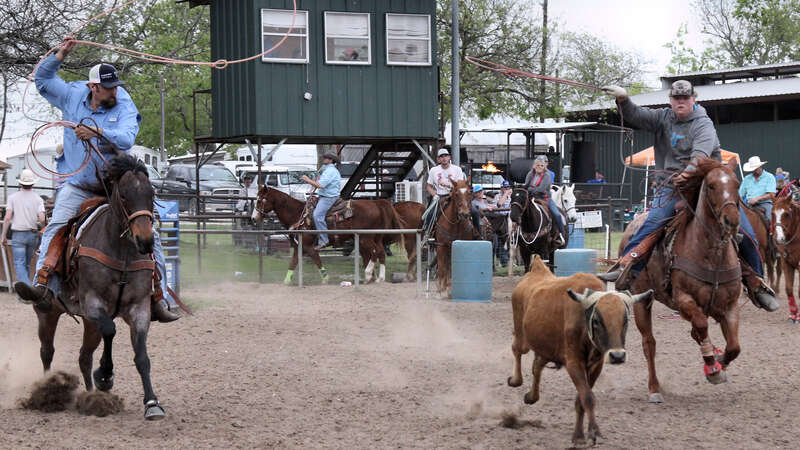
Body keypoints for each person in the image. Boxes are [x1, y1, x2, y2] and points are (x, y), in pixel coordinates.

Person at [16, 39, 179, 322]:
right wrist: (59, 56)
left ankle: (158, 298)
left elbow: (128, 138)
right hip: (80, 185)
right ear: (93, 88)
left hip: (116, 189)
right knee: (57, 226)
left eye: (116, 85)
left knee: (150, 236)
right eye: (108, 87)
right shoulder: (71, 95)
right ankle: (44, 287)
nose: (115, 91)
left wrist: (97, 131)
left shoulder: (124, 103)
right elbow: (42, 80)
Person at [600, 80, 778, 311]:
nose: (681, 102)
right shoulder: (662, 117)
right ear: (671, 100)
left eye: (685, 98)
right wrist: (623, 100)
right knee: (653, 221)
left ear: (693, 99)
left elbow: (701, 155)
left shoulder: (703, 123)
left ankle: (756, 283)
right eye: (677, 98)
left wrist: (688, 173)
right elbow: (637, 115)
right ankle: (628, 267)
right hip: (671, 185)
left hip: (706, 183)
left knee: (745, 229)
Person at [424, 147, 482, 236]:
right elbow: (429, 186)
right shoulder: (433, 170)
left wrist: (447, 184)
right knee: (429, 214)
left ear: (449, 157)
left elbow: (461, 186)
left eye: (446, 156)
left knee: (474, 211)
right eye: (441, 156)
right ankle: (428, 236)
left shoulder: (457, 169)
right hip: (440, 196)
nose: (444, 158)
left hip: (456, 196)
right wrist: (434, 195)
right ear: (438, 159)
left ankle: (478, 233)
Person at [2, 170, 46, 287]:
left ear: (20, 183)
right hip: (33, 234)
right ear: (33, 183)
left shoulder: (13, 197)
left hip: (18, 235)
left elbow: (7, 218)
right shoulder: (38, 199)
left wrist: (3, 235)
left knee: (19, 264)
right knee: (26, 264)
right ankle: (23, 294)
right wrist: (43, 230)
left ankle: (28, 290)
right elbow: (42, 219)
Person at [301, 152, 341, 251]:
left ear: (331, 160)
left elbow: (320, 185)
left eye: (326, 158)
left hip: (328, 197)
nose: (324, 159)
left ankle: (324, 240)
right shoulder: (326, 169)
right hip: (324, 195)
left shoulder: (330, 171)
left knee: (317, 215)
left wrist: (307, 180)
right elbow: (319, 181)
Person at [523, 156, 566, 246]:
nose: (539, 167)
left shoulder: (547, 175)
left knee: (557, 214)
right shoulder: (530, 174)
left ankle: (561, 235)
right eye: (538, 165)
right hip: (531, 198)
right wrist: (530, 189)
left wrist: (531, 189)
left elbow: (541, 189)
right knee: (520, 210)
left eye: (542, 165)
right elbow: (526, 186)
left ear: (544, 166)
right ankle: (517, 234)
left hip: (544, 198)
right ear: (534, 165)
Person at [739, 156, 776, 225]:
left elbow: (772, 194)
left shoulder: (769, 177)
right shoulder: (747, 179)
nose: (754, 171)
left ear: (760, 166)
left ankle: (770, 234)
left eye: (755, 169)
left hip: (765, 203)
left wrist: (757, 199)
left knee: (770, 219)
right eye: (753, 169)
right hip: (748, 204)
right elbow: (740, 195)